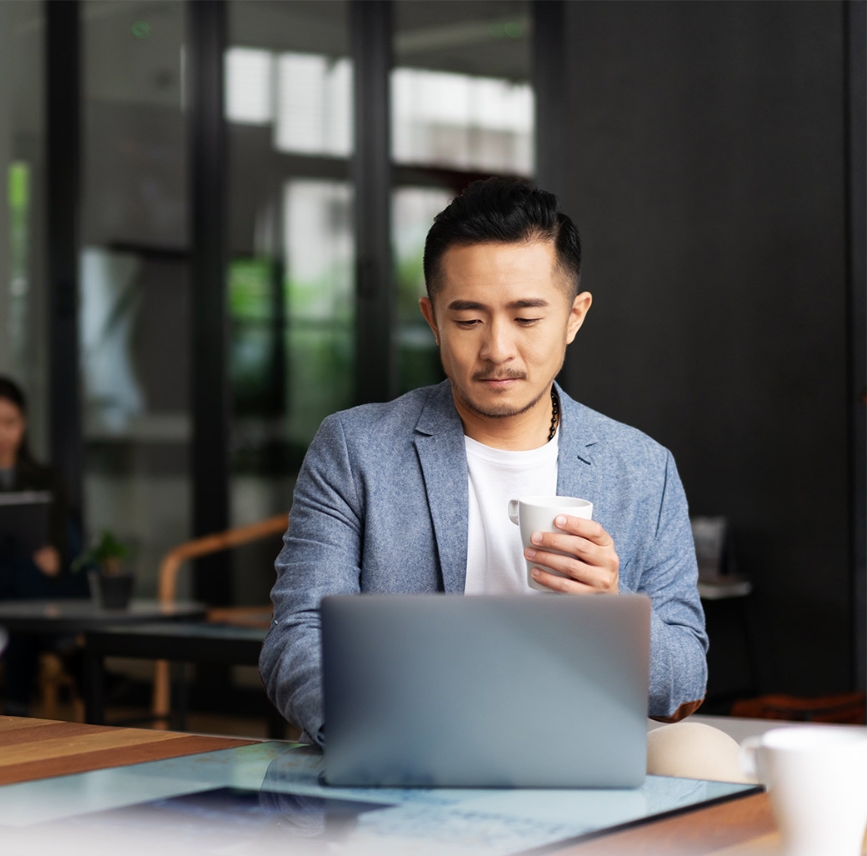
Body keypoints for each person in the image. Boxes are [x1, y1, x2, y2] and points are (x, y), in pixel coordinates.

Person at [259, 177, 708, 748]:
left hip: (573, 754)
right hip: (407, 750)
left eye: (526, 319)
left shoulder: (643, 468)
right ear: (432, 319)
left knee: (703, 755)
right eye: (469, 320)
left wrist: (611, 610)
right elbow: (297, 640)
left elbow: (686, 677)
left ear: (574, 317)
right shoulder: (356, 449)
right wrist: (394, 735)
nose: (497, 348)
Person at [0, 375, 71, 713]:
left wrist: (53, 557)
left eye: (9, 423)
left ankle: (16, 707)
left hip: (27, 588)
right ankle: (61, 644)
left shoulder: (46, 478)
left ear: (23, 424)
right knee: (18, 574)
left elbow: (61, 546)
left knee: (19, 586)